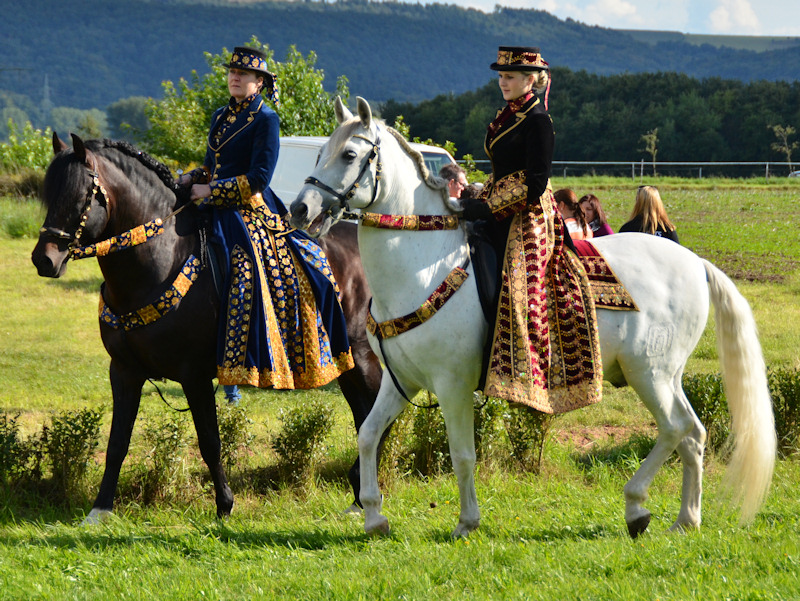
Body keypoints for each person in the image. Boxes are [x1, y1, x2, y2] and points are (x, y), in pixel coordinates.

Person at [177, 46, 354, 400]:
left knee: (245, 269)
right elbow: (213, 165)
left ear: (259, 83)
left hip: (248, 207)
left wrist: (211, 189)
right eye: (232, 72)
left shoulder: (266, 119)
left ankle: (242, 360)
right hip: (212, 199)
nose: (235, 77)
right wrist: (192, 177)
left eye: (244, 75)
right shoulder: (220, 116)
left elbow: (258, 178)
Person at [460, 46, 602, 414]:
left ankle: (526, 373)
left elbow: (535, 182)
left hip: (527, 215)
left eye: (509, 77)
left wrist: (489, 206)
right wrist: (478, 192)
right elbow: (504, 169)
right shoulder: (506, 115)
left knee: (520, 289)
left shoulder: (538, 120)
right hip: (498, 202)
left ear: (530, 80)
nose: (503, 83)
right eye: (501, 77)